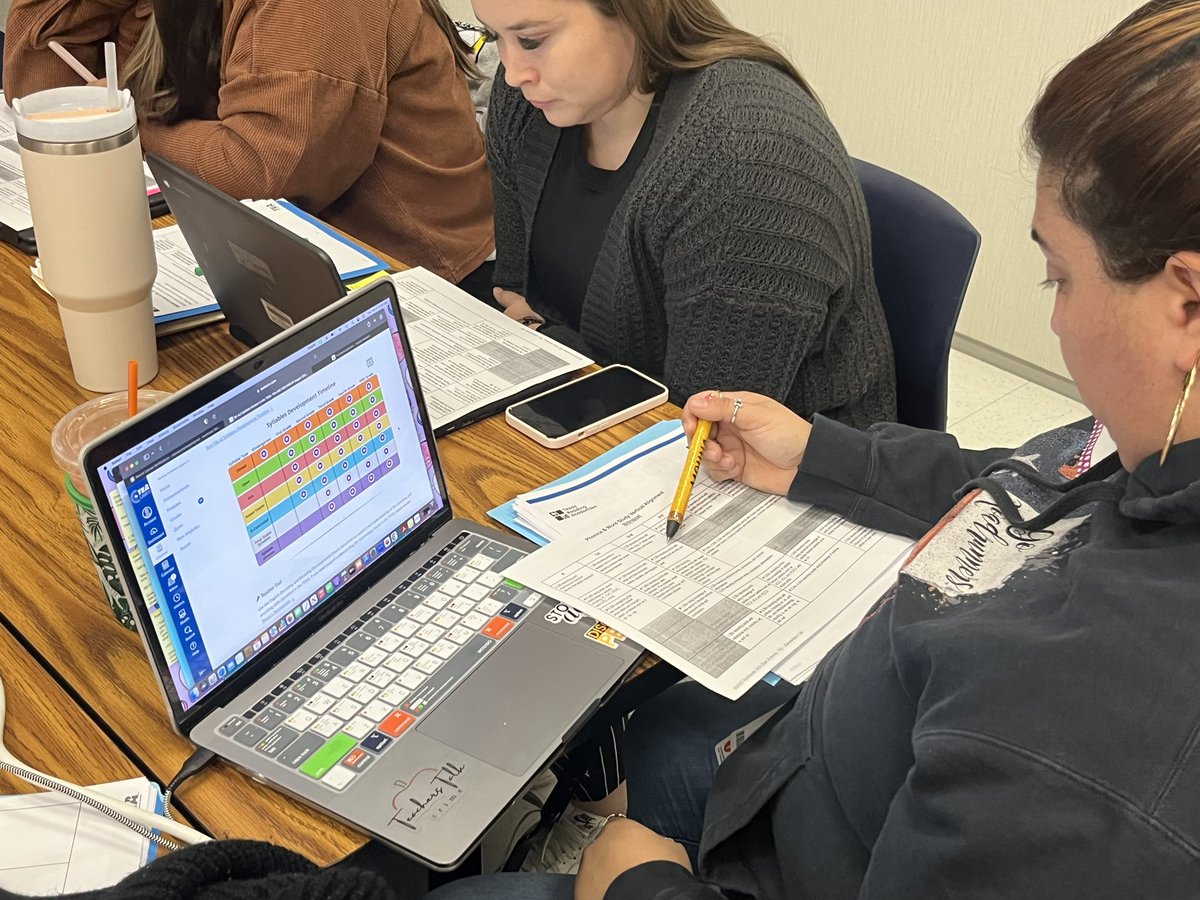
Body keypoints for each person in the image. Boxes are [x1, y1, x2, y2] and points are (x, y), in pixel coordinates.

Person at [430, 2, 1200, 897]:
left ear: (1186, 305)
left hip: (795, 840)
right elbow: (1043, 478)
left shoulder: (1090, 762)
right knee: (655, 741)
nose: (1056, 322)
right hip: (813, 755)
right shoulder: (1155, 445)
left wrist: (640, 885)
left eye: (1058, 278)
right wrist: (824, 458)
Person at [476, 0, 896, 426]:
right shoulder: (527, 103)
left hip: (750, 456)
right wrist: (548, 339)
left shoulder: (743, 161)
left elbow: (703, 424)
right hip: (597, 413)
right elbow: (515, 294)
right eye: (494, 36)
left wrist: (548, 339)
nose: (512, 73)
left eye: (531, 40)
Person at [2, 0, 496, 292]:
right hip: (271, 248)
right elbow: (43, 101)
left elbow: (264, 168)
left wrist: (125, 127)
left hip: (418, 277)